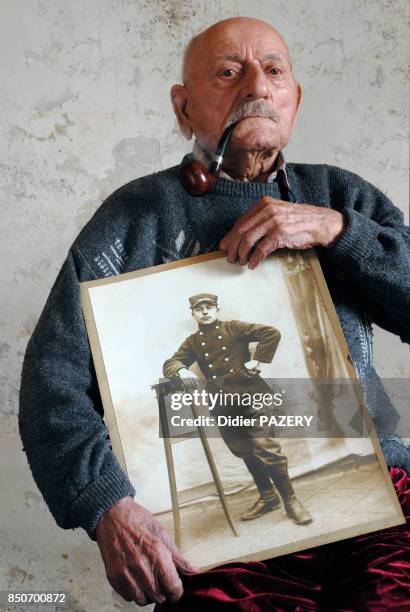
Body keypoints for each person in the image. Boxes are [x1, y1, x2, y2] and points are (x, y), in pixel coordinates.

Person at [19, 16, 409, 610]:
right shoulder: (132, 219)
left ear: (294, 101)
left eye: (273, 71)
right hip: (222, 543)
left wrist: (339, 232)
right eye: (228, 71)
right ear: (182, 109)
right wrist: (107, 505)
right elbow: (54, 384)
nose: (256, 85)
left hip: (382, 491)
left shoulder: (341, 197)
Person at [163, 292, 313, 524]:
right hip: (222, 404)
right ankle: (267, 497)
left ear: (217, 310)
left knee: (267, 449)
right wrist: (181, 370)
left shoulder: (233, 327)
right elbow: (170, 362)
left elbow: (270, 333)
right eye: (199, 308)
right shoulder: (192, 341)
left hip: (250, 396)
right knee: (244, 449)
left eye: (209, 307)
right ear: (192, 314)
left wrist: (258, 360)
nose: (205, 311)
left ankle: (291, 501)